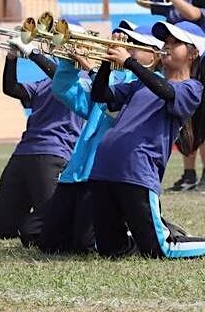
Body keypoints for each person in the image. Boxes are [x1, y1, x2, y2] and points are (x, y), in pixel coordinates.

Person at [38, 21, 164, 254]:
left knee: (86, 245)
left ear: (155, 55)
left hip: (105, 174)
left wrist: (97, 67)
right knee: (49, 243)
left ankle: (141, 232)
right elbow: (65, 90)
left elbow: (115, 109)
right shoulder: (110, 80)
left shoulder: (146, 88)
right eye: (127, 41)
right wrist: (69, 61)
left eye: (136, 43)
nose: (127, 46)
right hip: (77, 172)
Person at [90, 21, 205, 258]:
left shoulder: (192, 88)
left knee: (160, 250)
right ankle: (145, 234)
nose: (167, 47)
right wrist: (105, 63)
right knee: (111, 251)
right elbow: (100, 94)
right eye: (166, 42)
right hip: (104, 170)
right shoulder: (140, 85)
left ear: (193, 53)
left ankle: (160, 235)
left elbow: (166, 91)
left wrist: (130, 63)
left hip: (137, 172)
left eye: (176, 43)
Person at [0, 37, 83, 242]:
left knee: (51, 225)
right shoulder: (46, 81)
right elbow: (11, 88)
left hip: (54, 153)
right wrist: (12, 58)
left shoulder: (82, 79)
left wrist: (34, 53)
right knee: (4, 228)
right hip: (23, 153)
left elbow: (62, 79)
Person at [150, 0, 205, 190]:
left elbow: (193, 14)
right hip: (180, 66)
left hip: (201, 63)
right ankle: (189, 174)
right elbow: (151, 8)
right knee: (186, 119)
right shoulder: (176, 3)